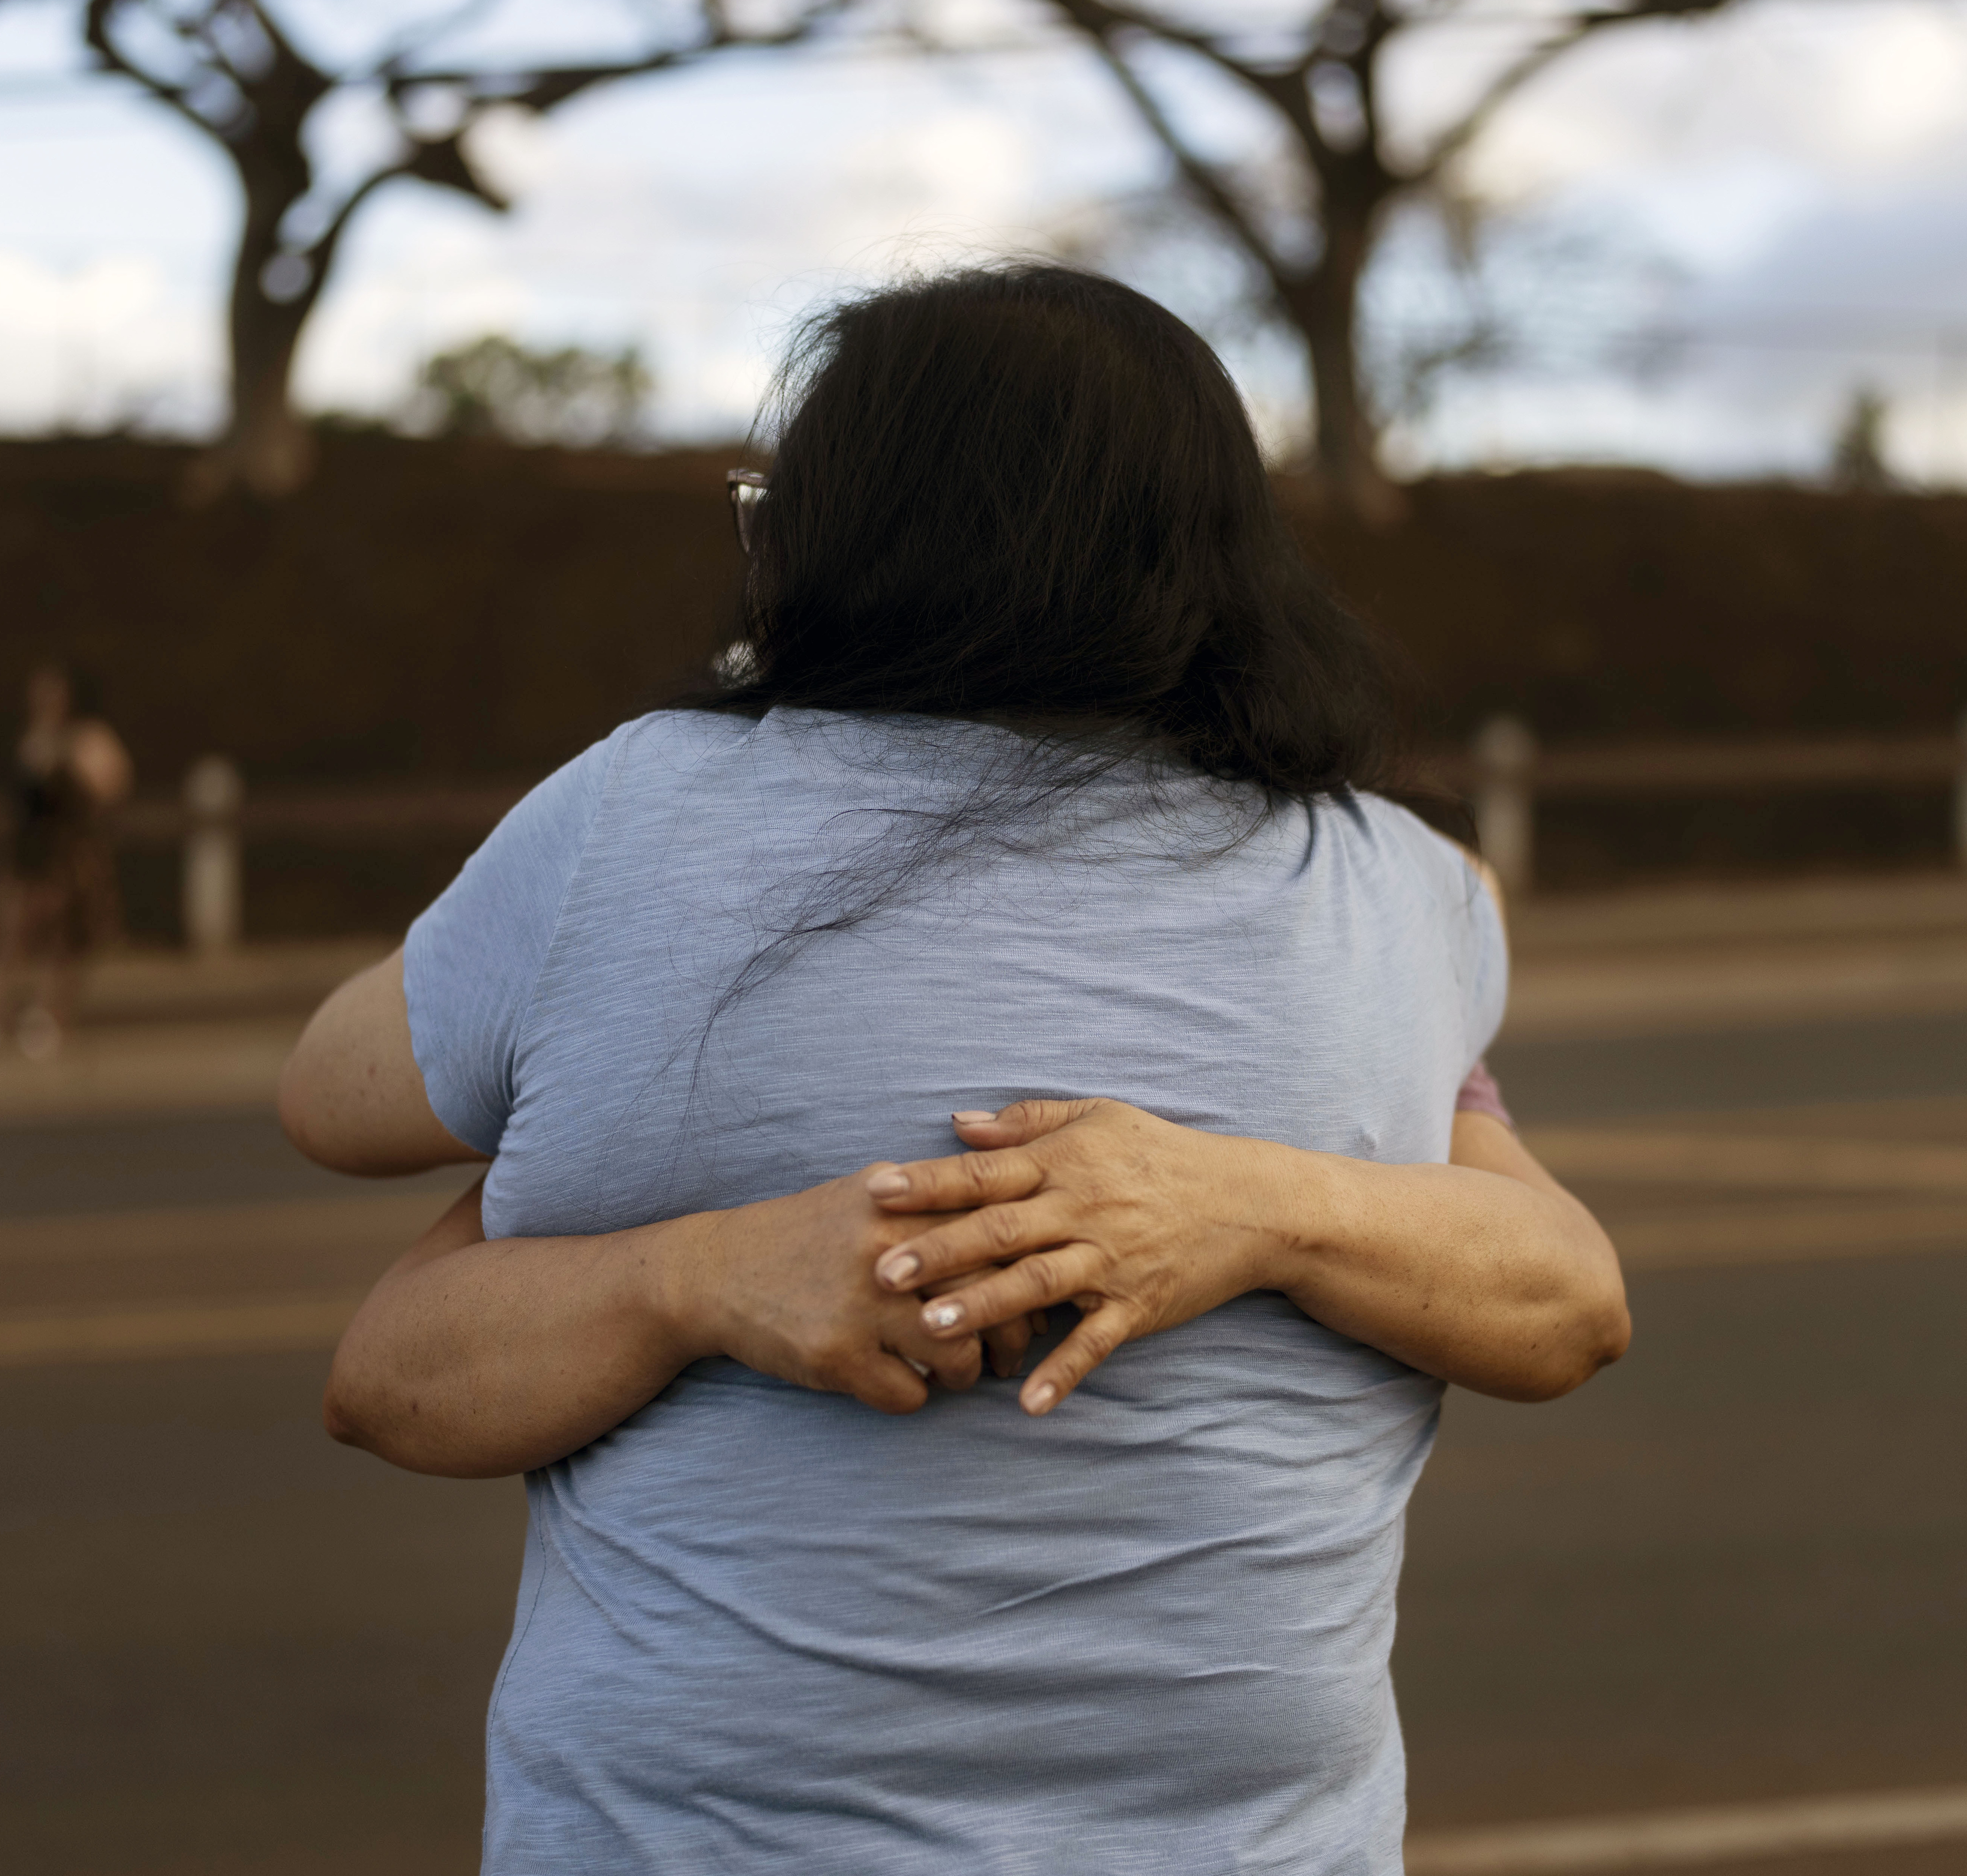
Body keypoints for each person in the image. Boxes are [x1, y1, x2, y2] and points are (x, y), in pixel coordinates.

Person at [280, 265, 1629, 1874]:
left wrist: (642, 1166)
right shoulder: (1399, 895)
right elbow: (1568, 1300)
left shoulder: (632, 822)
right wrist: (1265, 1196)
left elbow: (336, 1101)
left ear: (841, 537)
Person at [0, 662, 131, 1060]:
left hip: (68, 853)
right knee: (11, 934)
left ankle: (53, 1014)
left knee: (65, 939)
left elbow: (111, 786)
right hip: (28, 852)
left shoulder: (86, 739)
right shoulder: (29, 741)